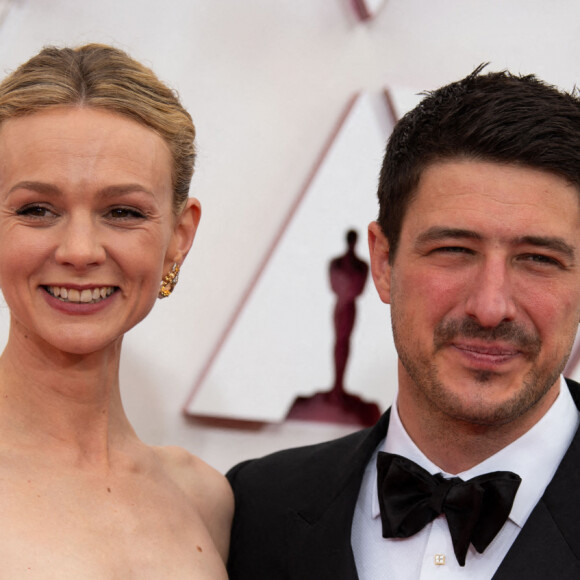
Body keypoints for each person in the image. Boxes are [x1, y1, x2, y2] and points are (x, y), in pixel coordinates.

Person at [226, 66, 580, 579]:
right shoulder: (257, 508)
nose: (490, 307)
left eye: (538, 259)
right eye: (454, 250)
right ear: (384, 262)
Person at [0, 44, 233, 578]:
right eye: (37, 210)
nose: (80, 251)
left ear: (179, 235)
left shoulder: (203, 497)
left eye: (122, 212)